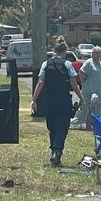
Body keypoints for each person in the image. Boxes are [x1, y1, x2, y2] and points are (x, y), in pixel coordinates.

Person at [31, 37, 84, 166]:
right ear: (65, 51)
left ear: (54, 51)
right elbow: (74, 84)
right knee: (62, 127)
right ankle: (57, 151)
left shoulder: (46, 64)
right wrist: (81, 98)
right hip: (63, 100)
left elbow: (40, 82)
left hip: (49, 100)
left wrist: (34, 99)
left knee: (52, 127)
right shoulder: (67, 65)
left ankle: (54, 152)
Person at [72, 46, 101, 128]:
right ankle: (85, 125)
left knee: (97, 109)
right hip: (89, 91)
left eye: (99, 53)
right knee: (87, 108)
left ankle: (94, 125)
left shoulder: (100, 63)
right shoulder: (89, 62)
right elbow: (81, 72)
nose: (97, 55)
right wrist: (84, 83)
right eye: (95, 53)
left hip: (99, 92)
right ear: (92, 54)